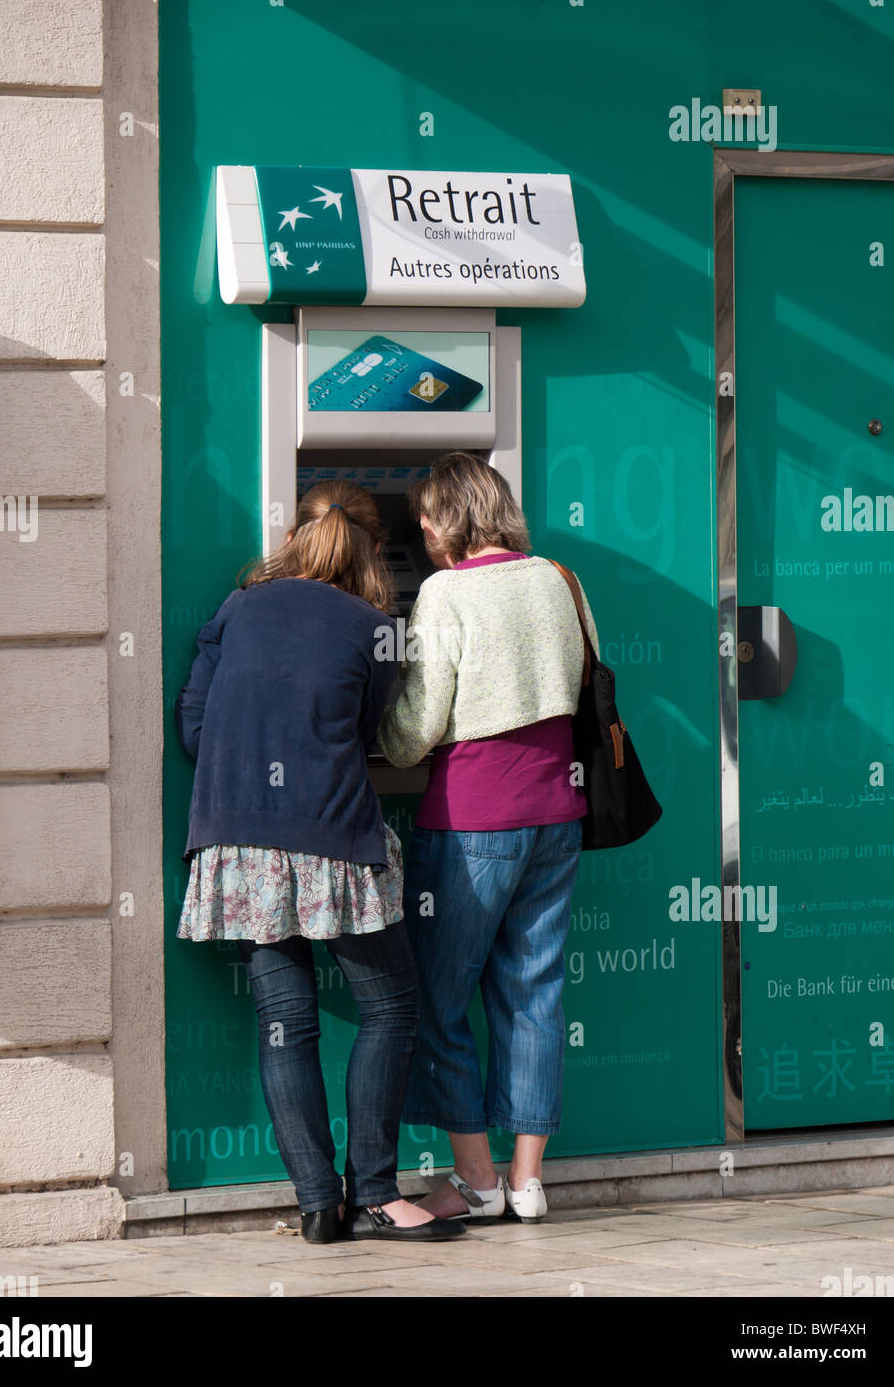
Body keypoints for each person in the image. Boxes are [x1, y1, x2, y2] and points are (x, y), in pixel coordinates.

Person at [174, 479, 465, 1244]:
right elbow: (372, 731)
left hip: (235, 840)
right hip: (330, 835)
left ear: (295, 535)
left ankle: (316, 1203)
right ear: (372, 548)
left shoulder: (237, 608)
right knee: (391, 1005)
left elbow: (194, 725)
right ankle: (372, 1190)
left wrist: (254, 760)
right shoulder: (370, 624)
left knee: (285, 1020)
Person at [376, 452, 599, 1225]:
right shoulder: (553, 578)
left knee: (439, 1000)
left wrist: (377, 736)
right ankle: (528, 1181)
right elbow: (573, 683)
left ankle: (474, 1180)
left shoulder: (443, 590)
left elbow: (418, 723)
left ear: (450, 518)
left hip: (474, 818)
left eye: (426, 519)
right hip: (557, 813)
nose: (424, 533)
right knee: (534, 992)